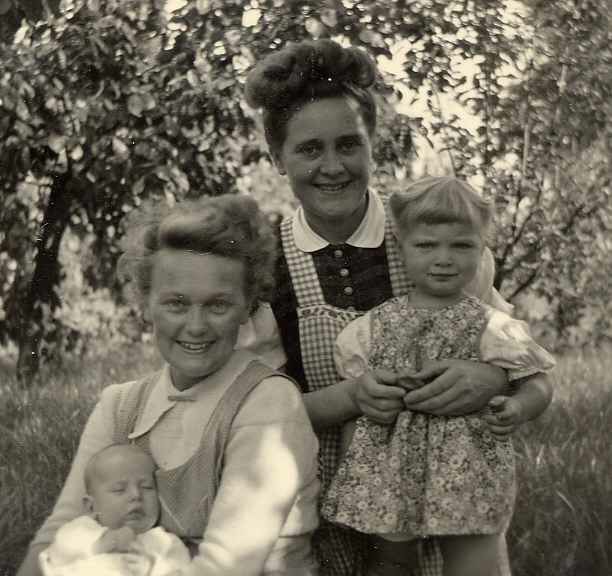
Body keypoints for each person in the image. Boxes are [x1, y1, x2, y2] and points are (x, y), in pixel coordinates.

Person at [244, 38, 554, 576]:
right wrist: (349, 399)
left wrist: (489, 377)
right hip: (316, 507)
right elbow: (252, 414)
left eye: (349, 144)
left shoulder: (432, 239)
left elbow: (527, 369)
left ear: (373, 147)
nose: (333, 166)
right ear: (277, 159)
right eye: (309, 149)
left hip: (449, 504)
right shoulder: (263, 270)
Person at [17, 194, 320, 576]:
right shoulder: (120, 406)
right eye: (176, 303)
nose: (195, 326)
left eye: (218, 305)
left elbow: (225, 567)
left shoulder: (270, 404)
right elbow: (58, 533)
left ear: (247, 305)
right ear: (146, 303)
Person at [320, 177, 555, 576]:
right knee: (390, 562)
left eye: (461, 245)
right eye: (426, 245)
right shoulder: (371, 327)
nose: (443, 258)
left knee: (475, 561)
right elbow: (358, 408)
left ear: (481, 250)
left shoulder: (493, 326)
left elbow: (539, 383)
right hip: (389, 465)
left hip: (470, 466)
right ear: (402, 249)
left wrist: (518, 406)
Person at [40, 444, 191, 576]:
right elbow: (59, 552)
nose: (136, 495)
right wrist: (102, 543)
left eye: (147, 487)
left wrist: (151, 566)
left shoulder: (163, 541)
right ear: (91, 506)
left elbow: (180, 569)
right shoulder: (80, 530)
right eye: (120, 489)